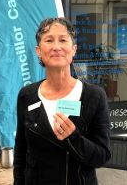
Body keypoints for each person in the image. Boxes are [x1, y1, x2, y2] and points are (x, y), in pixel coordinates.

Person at [13, 17, 111, 185]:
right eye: (49, 40)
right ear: (38, 50)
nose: (56, 47)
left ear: (74, 49)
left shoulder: (94, 96)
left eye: (63, 40)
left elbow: (102, 156)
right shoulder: (26, 96)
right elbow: (21, 153)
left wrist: (73, 138)